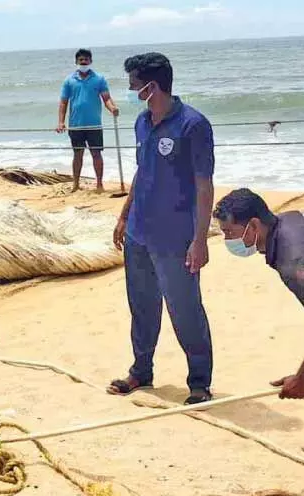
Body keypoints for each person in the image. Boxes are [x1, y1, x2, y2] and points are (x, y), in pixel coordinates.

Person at [107, 52, 216, 405]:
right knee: (142, 306)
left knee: (185, 310)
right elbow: (142, 171)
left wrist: (200, 240)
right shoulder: (142, 122)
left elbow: (204, 185)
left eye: (133, 85)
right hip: (139, 233)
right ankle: (141, 371)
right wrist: (124, 215)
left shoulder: (193, 125)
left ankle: (199, 382)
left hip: (175, 238)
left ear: (152, 87)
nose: (130, 91)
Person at [213, 188, 304, 496]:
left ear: (253, 225)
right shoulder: (288, 221)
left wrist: (303, 379)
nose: (227, 240)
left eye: (230, 232)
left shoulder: (293, 258)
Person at [56, 49, 120, 193]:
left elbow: (106, 98)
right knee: (77, 154)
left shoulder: (99, 79)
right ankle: (76, 184)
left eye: (86, 59)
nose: (83, 62)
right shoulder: (69, 80)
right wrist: (61, 122)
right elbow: (63, 102)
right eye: (81, 60)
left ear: (90, 61)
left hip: (94, 125)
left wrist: (112, 108)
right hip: (76, 125)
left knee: (96, 154)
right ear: (76, 62)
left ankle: (99, 185)